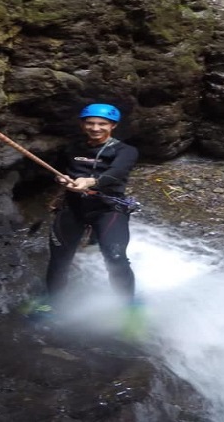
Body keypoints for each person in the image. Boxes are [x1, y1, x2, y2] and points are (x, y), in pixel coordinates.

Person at [45, 103, 140, 307]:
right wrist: (61, 179)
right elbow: (59, 170)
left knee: (115, 257)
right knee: (59, 259)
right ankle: (52, 303)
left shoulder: (125, 151)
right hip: (73, 207)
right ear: (82, 125)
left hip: (107, 208)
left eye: (102, 124)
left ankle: (128, 306)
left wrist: (91, 182)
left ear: (113, 125)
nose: (95, 128)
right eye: (90, 123)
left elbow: (117, 173)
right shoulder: (72, 148)